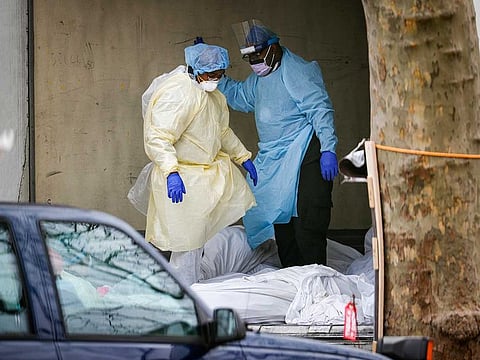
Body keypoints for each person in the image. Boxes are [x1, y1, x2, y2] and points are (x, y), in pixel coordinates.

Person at [218, 19, 338, 268]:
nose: (255, 64)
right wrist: (217, 76)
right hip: (276, 158)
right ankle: (292, 277)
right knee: (281, 218)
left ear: (273, 47)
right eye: (249, 59)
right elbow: (241, 97)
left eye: (258, 56)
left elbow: (319, 108)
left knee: (307, 219)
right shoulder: (261, 78)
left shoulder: (295, 70)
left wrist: (328, 148)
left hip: (304, 152)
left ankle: (315, 279)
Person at [143, 40, 258, 285]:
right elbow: (158, 137)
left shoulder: (213, 96)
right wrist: (171, 171)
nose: (215, 78)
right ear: (194, 69)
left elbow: (222, 131)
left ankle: (191, 288)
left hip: (202, 179)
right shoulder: (179, 93)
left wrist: (243, 156)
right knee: (186, 244)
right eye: (210, 74)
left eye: (219, 74)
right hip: (182, 179)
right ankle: (185, 294)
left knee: (196, 243)